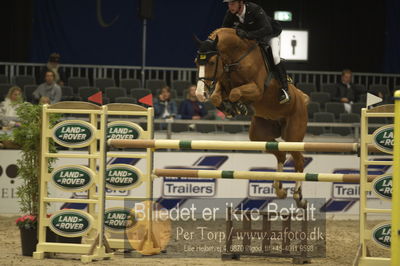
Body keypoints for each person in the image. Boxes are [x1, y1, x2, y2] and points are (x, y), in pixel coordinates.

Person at [222, 0, 289, 104]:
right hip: (252, 38)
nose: (230, 6)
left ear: (241, 3)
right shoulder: (230, 14)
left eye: (233, 3)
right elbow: (224, 31)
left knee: (275, 57)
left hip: (270, 35)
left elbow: (267, 29)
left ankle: (284, 89)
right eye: (229, 4)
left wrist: (247, 35)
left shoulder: (255, 9)